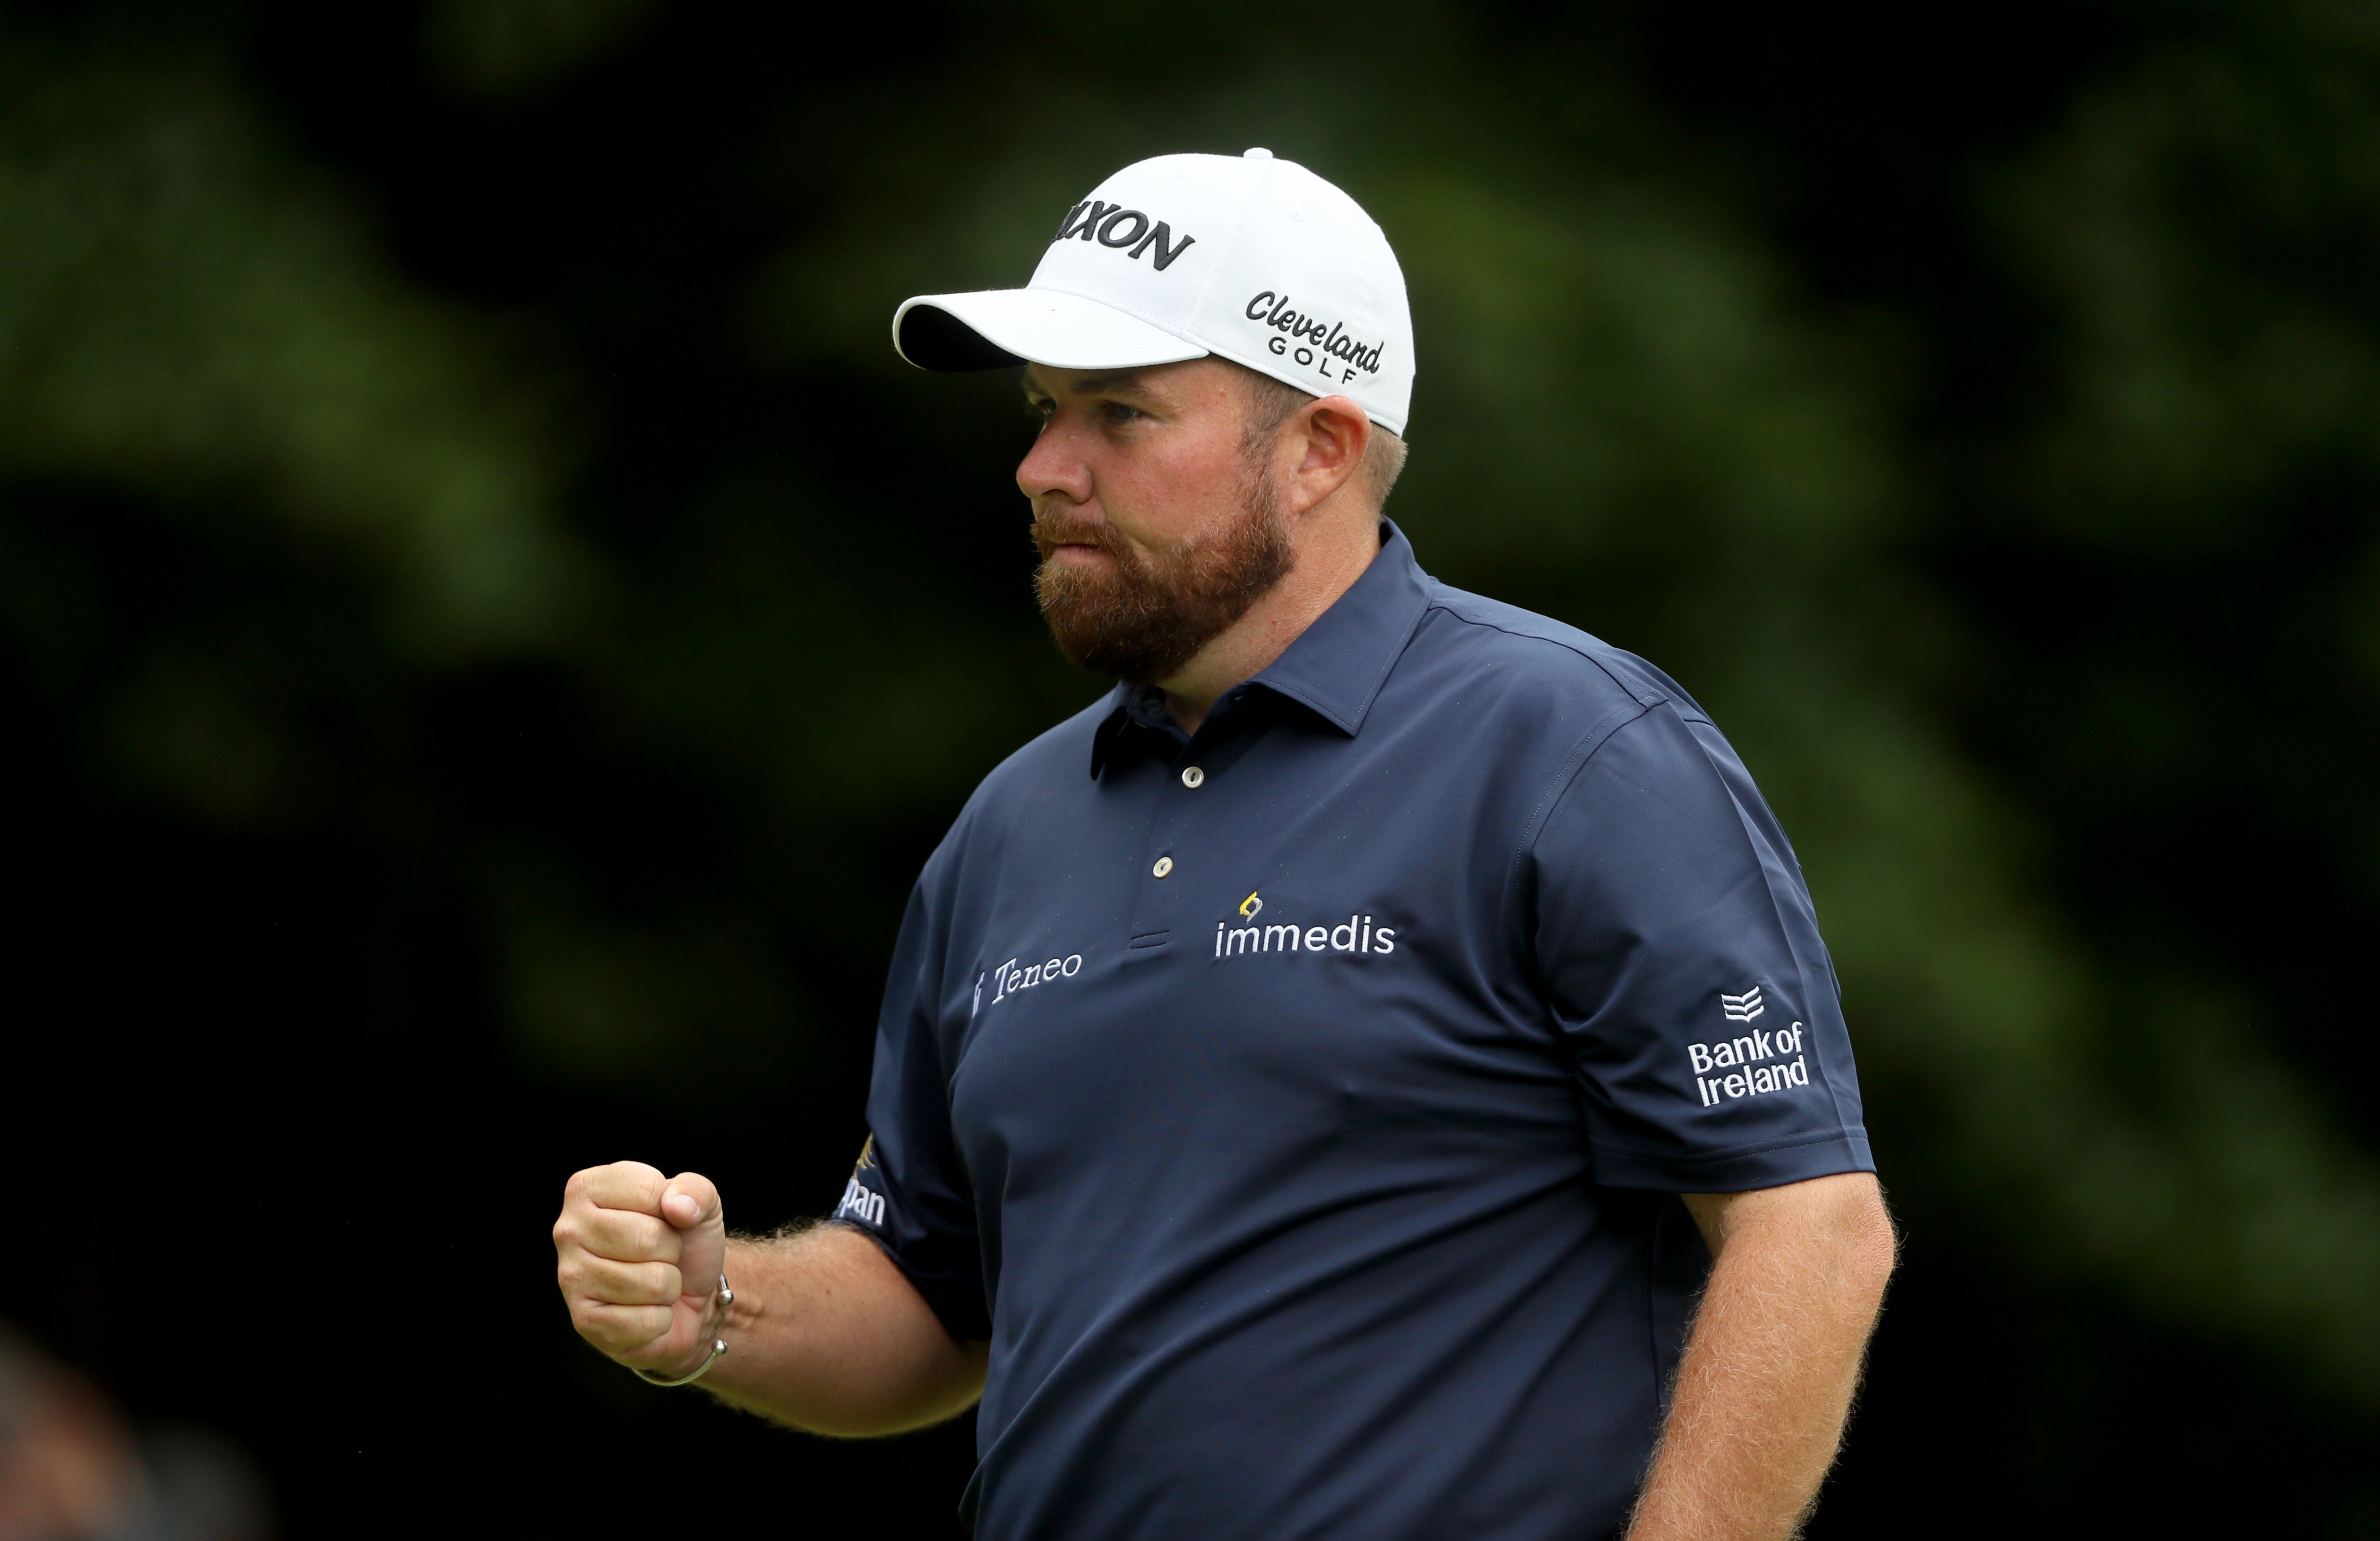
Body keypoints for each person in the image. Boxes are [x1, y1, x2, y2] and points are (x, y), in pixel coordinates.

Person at [553, 149, 1896, 1541]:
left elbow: (1806, 1224)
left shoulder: (1569, 747)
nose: (1042, 469)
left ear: (1317, 448)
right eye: (1041, 411)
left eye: (1121, 415)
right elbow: (930, 1305)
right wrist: (710, 1307)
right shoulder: (1009, 829)